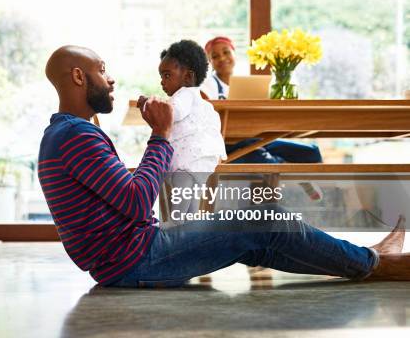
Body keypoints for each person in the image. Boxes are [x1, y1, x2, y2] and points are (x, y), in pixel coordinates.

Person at [38, 44, 409, 288]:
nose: (111, 78)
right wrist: (162, 135)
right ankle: (376, 263)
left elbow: (123, 194)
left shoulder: (67, 134)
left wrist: (158, 150)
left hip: (125, 259)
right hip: (135, 260)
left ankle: (364, 261)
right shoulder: (76, 136)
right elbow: (137, 201)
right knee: (255, 216)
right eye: (102, 71)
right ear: (78, 77)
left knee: (259, 236)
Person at [138, 40, 226, 226]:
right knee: (191, 204)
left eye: (167, 75)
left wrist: (147, 103)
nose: (162, 81)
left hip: (187, 162)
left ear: (187, 77)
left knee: (179, 202)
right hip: (200, 161)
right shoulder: (198, 99)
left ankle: (171, 229)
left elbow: (171, 113)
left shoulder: (185, 95)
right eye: (161, 76)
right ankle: (188, 236)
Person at [202, 36, 323, 166]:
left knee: (311, 152)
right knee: (266, 160)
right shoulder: (208, 85)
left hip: (254, 138)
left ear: (234, 53)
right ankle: (285, 174)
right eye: (215, 56)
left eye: (226, 52)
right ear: (210, 61)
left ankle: (316, 185)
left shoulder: (248, 84)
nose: (222, 58)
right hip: (228, 143)